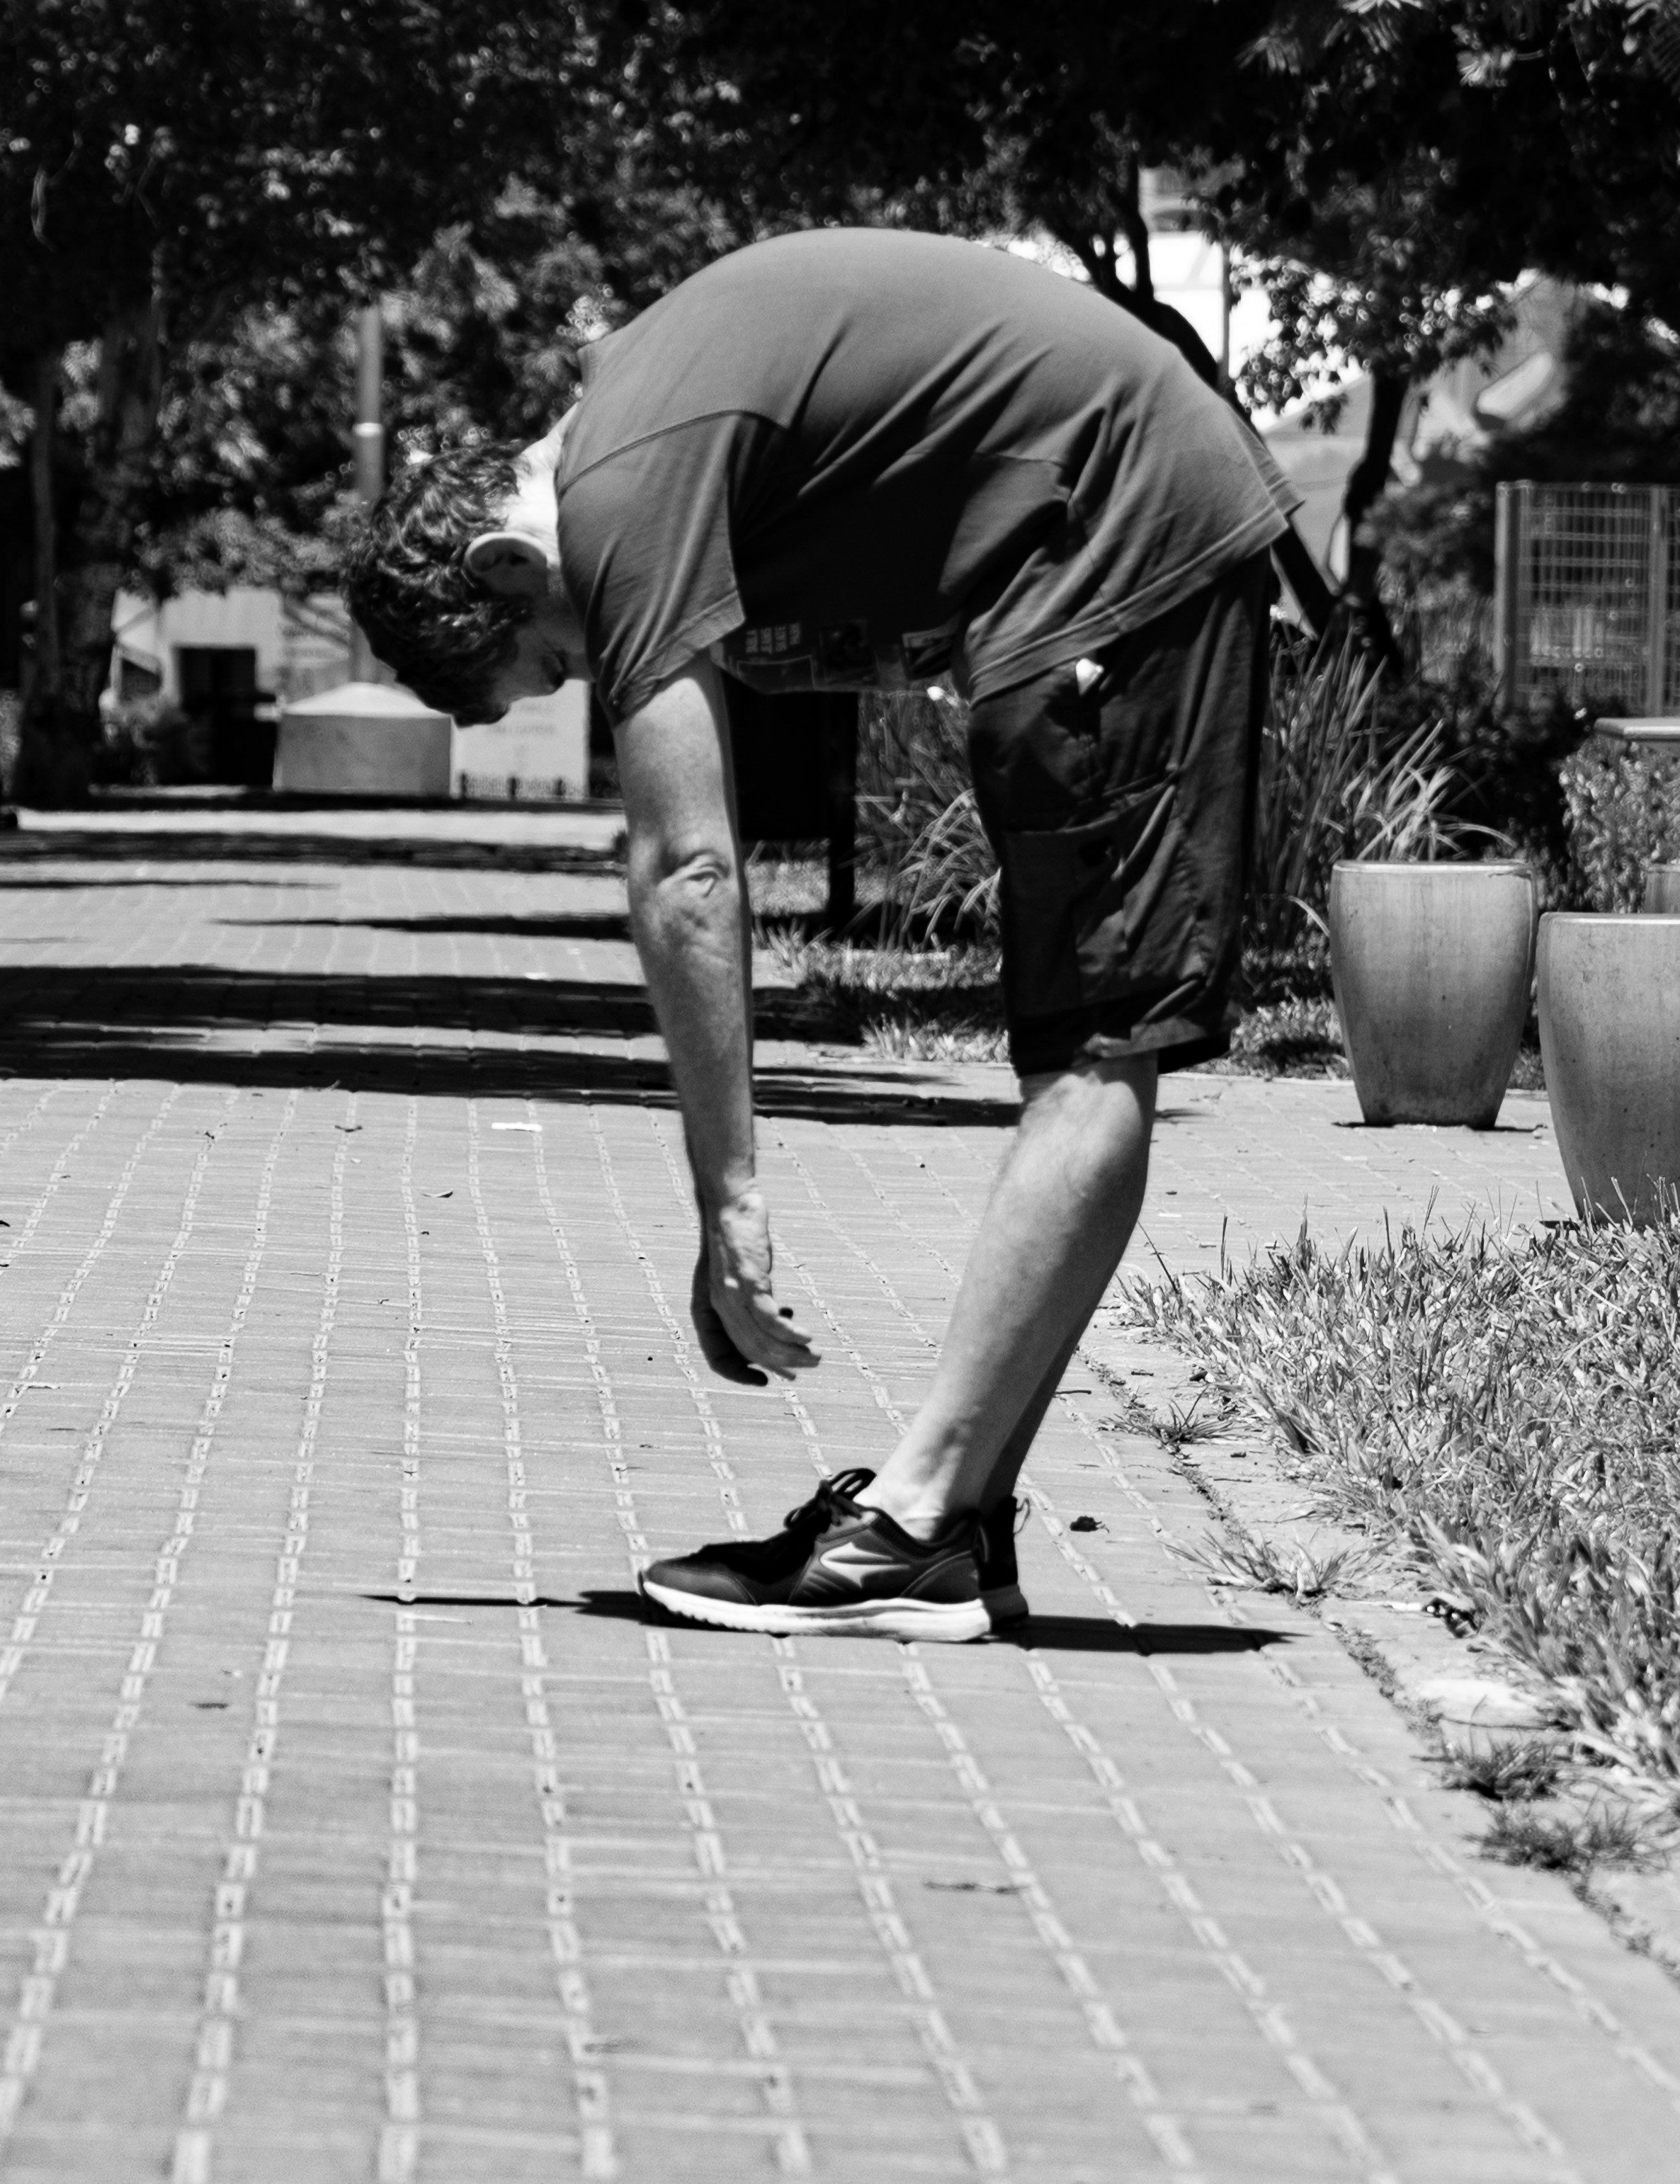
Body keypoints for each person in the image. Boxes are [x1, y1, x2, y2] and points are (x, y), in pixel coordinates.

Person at [348, 227, 1299, 1642]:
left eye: (549, 658)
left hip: (1121, 533)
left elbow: (685, 869)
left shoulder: (621, 489)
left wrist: (727, 1199)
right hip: (1111, 522)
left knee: (1095, 1049)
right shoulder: (634, 418)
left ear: (498, 566)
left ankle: (907, 1533)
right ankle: (953, 1527)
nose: (583, 678)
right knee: (1085, 1053)